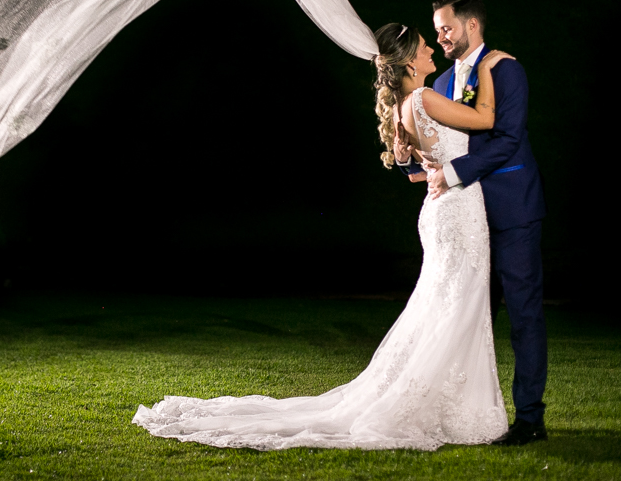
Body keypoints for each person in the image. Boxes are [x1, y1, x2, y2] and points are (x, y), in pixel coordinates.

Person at [132, 24, 512, 451]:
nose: (430, 51)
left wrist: (438, 170)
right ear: (409, 62)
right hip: (457, 214)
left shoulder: (404, 106)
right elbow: (486, 119)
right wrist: (489, 68)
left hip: (446, 211)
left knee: (446, 308)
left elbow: (416, 173)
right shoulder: (423, 98)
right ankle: (448, 407)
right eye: (424, 47)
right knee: (455, 308)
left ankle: (446, 402)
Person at [397, 0, 547, 446]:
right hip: (465, 220)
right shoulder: (440, 82)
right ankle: (462, 414)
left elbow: (508, 139)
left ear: (472, 25)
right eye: (437, 29)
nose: (441, 36)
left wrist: (452, 173)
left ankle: (529, 418)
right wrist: (408, 160)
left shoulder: (506, 69)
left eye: (446, 28)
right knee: (463, 319)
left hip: (511, 208)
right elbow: (435, 149)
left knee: (523, 315)